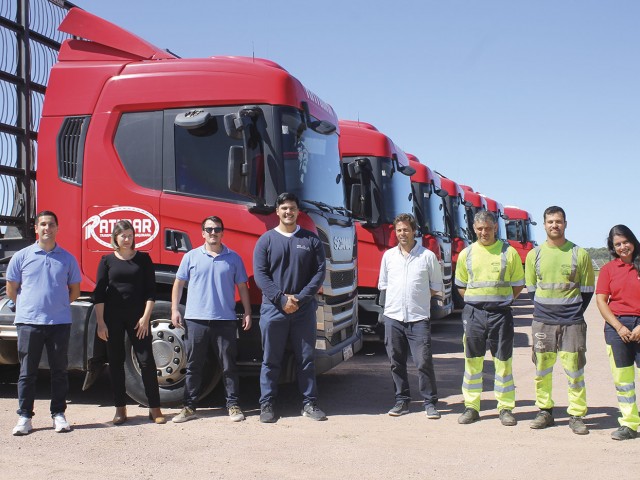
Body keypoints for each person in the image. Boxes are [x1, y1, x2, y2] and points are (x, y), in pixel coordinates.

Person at [253, 192, 327, 423]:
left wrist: (300, 299)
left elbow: (319, 273)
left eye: (292, 208)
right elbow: (260, 275)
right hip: (273, 309)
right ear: (277, 211)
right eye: (284, 208)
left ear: (298, 212)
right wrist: (281, 299)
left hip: (303, 310)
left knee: (306, 359)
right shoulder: (265, 240)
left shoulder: (311, 240)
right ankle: (267, 404)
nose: (288, 212)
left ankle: (309, 403)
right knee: (270, 359)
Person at [6, 211, 81, 436]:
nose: (47, 228)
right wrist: (30, 306)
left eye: (51, 224)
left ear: (58, 228)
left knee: (59, 371)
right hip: (29, 322)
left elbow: (75, 291)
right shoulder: (22, 256)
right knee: (27, 372)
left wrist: (56, 305)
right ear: (36, 229)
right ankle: (25, 417)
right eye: (43, 224)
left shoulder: (67, 258)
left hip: (59, 322)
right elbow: (12, 289)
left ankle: (58, 414)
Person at [171, 216, 251, 423]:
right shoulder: (190, 257)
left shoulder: (233, 258)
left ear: (223, 233)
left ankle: (233, 405)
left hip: (225, 320)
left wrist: (248, 311)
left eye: (217, 229)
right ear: (202, 233)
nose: (213, 233)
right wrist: (174, 310)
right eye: (209, 229)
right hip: (196, 319)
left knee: (228, 365)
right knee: (194, 366)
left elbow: (243, 287)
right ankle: (189, 408)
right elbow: (178, 283)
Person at [525, 206, 594, 435]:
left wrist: (572, 311)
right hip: (543, 321)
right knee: (542, 369)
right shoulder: (534, 254)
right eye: (550, 222)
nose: (555, 225)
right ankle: (545, 411)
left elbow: (586, 290)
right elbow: (532, 289)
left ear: (566, 223)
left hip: (572, 322)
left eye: (559, 221)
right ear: (544, 225)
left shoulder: (579, 253)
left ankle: (576, 414)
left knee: (575, 369)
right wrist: (548, 310)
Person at [455, 210, 524, 426]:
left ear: (495, 228)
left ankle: (505, 408)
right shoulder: (467, 254)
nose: (484, 232)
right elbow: (461, 287)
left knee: (503, 362)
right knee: (473, 362)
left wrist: (500, 302)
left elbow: (518, 285)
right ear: (474, 230)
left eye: (488, 228)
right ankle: (471, 407)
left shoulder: (508, 253)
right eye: (479, 229)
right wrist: (478, 303)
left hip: (501, 315)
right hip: (474, 314)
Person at [94, 220, 165, 425]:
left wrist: (145, 318)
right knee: (115, 362)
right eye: (123, 235)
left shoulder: (143, 259)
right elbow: (99, 294)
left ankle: (155, 408)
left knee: (146, 362)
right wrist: (101, 323)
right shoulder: (106, 261)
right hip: (113, 318)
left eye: (130, 235)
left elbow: (151, 291)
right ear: (115, 237)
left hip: (138, 319)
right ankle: (120, 409)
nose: (127, 239)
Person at [378, 213, 443, 419]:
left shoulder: (427, 257)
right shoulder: (388, 256)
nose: (402, 234)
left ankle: (430, 402)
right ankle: (402, 401)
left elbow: (435, 287)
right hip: (393, 317)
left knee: (423, 362)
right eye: (399, 230)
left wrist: (418, 297)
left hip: (418, 318)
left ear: (414, 231)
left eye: (406, 229)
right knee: (396, 362)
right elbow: (384, 285)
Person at [596, 225, 640, 440]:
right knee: (623, 381)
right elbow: (601, 301)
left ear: (633, 241)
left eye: (625, 241)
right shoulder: (607, 270)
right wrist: (619, 327)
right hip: (617, 328)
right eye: (618, 244)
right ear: (613, 248)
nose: (623, 247)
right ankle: (629, 424)